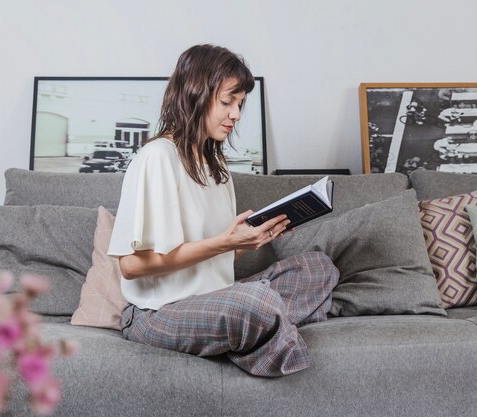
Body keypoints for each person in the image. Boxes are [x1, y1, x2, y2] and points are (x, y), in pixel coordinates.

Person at [107, 45, 339, 377]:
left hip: (216, 298)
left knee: (319, 268)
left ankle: (251, 328)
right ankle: (260, 327)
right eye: (227, 102)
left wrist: (249, 242)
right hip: (157, 314)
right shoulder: (157, 157)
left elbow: (213, 260)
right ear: (195, 95)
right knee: (255, 303)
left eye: (241, 104)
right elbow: (129, 266)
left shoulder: (218, 169)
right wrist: (226, 243)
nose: (236, 115)